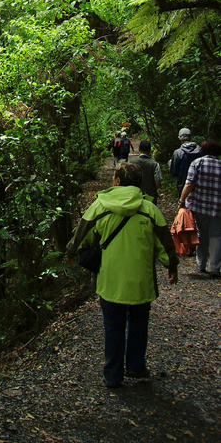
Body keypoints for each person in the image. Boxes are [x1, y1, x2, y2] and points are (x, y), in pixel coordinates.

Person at [66, 162, 178, 389]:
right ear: (138, 183)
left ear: (116, 181)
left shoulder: (100, 206)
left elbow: (82, 235)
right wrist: (171, 266)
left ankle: (113, 375)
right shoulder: (150, 209)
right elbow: (164, 244)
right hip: (141, 281)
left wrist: (71, 252)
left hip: (110, 281)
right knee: (138, 324)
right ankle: (136, 366)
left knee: (113, 327)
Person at [179, 138, 221, 278]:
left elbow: (190, 183)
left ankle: (201, 264)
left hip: (199, 206)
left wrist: (182, 200)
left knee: (202, 234)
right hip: (218, 207)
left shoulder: (197, 163)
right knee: (216, 236)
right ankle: (214, 267)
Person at [169, 128, 202, 196]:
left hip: (183, 186)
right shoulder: (200, 150)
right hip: (199, 186)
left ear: (180, 138)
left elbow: (174, 172)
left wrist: (170, 163)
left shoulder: (178, 152)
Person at [130, 139, 162, 203]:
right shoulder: (155, 165)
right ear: (149, 150)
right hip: (150, 196)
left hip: (135, 195)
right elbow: (158, 184)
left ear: (139, 149)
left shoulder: (132, 163)